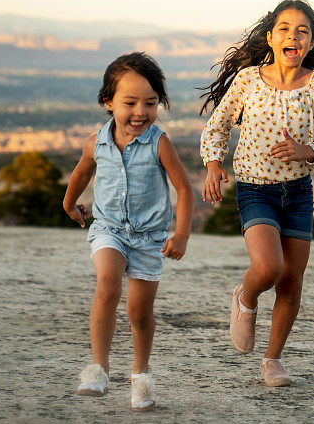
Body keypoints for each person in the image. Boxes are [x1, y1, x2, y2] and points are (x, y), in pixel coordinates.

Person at [199, 0, 314, 386]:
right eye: (284, 28)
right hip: (255, 190)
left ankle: (272, 360)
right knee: (269, 268)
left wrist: (308, 150)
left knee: (291, 279)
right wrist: (214, 164)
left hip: (297, 193)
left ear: (312, 44)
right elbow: (218, 125)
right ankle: (245, 297)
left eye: (302, 31)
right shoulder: (249, 80)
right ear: (270, 37)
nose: (293, 36)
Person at [63, 52, 193, 411]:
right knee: (108, 284)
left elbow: (183, 188)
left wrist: (180, 234)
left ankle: (141, 375)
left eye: (150, 103)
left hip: (150, 238)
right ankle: (98, 368)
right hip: (109, 229)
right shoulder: (97, 142)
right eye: (130, 102)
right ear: (108, 102)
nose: (141, 112)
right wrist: (69, 203)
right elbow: (81, 173)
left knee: (139, 313)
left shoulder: (158, 143)